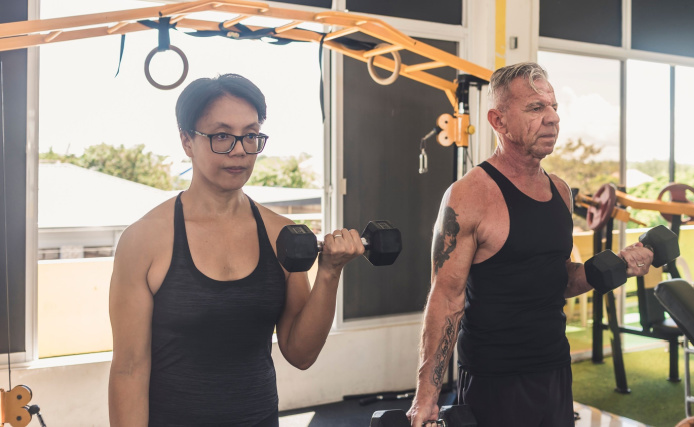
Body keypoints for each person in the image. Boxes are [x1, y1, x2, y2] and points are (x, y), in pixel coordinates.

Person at [108, 73, 364, 427]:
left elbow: (300, 353)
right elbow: (128, 368)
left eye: (250, 135)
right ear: (186, 140)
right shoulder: (145, 240)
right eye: (222, 136)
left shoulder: (282, 235)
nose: (240, 150)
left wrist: (330, 272)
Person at [406, 62, 654, 427]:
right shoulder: (468, 195)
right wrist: (426, 397)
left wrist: (616, 265)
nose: (553, 119)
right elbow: (445, 298)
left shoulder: (560, 191)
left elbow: (559, 278)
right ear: (498, 120)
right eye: (536, 108)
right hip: (494, 379)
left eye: (554, 107)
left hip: (554, 369)